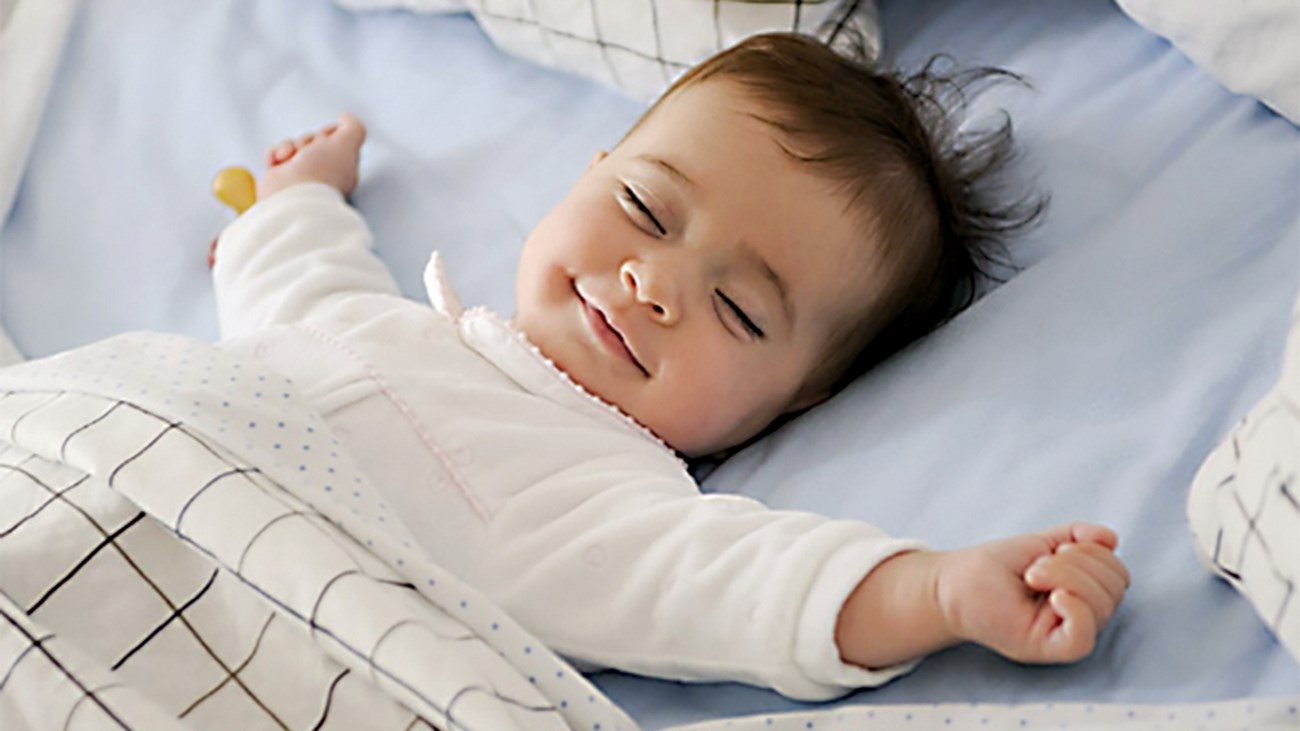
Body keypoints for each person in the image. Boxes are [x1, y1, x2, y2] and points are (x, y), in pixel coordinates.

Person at [210, 33, 1129, 700]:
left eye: (739, 310)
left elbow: (744, 587)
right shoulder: (377, 326)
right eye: (645, 209)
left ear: (801, 398)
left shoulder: (594, 497)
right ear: (590, 171)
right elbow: (300, 282)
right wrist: (298, 199)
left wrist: (939, 591)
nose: (652, 284)